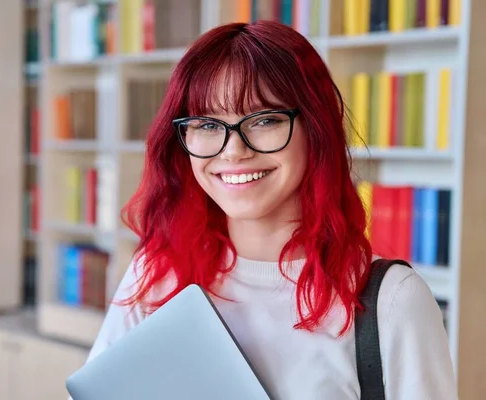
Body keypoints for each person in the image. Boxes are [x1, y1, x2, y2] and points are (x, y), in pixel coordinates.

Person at [82, 20, 457, 399]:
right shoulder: (157, 273)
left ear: (316, 128)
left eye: (264, 120)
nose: (233, 151)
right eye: (207, 124)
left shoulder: (392, 300)